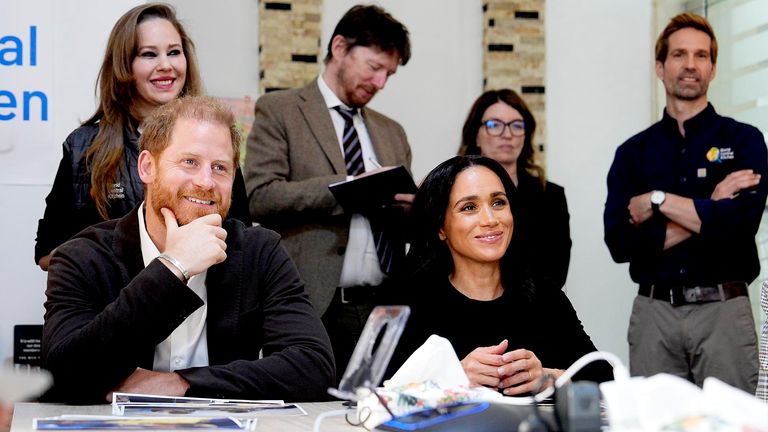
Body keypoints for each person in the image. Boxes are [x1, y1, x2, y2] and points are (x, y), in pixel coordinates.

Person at [42, 96, 335, 404]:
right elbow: (64, 375)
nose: (206, 181)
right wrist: (173, 267)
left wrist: (181, 384)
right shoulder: (82, 256)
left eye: (220, 167)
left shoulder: (260, 251)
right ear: (147, 167)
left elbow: (313, 367)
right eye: (189, 162)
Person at [243, 4, 412, 380]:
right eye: (374, 67)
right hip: (312, 304)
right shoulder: (281, 110)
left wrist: (416, 207)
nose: (381, 82)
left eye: (389, 74)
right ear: (339, 48)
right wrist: (347, 189)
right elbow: (260, 196)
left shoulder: (392, 131)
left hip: (385, 307)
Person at [604, 12, 765, 393]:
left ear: (713, 69)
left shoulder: (744, 142)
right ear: (660, 67)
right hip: (653, 315)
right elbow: (620, 243)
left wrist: (659, 202)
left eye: (701, 56)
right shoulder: (632, 154)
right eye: (679, 55)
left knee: (733, 423)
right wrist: (709, 206)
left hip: (724, 312)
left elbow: (740, 225)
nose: (690, 65)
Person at [34, 2, 251, 271]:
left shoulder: (215, 141)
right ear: (124, 64)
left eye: (174, 52)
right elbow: (46, 253)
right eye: (149, 54)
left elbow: (242, 238)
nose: (165, 65)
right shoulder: (84, 148)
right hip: (115, 304)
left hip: (204, 303)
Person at [387, 156, 610, 394]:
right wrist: (451, 377)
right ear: (441, 227)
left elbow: (605, 378)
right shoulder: (407, 301)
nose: (491, 220)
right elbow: (371, 392)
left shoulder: (544, 295)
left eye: (498, 203)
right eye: (469, 207)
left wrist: (549, 378)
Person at [459, 89, 571, 291]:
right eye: (494, 125)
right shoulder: (451, 192)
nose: (507, 134)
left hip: (533, 310)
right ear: (475, 135)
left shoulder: (551, 196)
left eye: (517, 125)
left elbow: (556, 271)